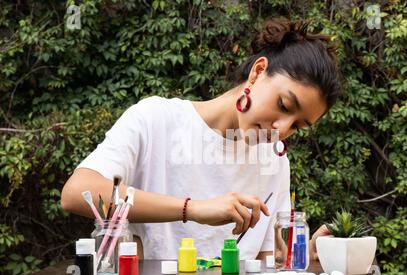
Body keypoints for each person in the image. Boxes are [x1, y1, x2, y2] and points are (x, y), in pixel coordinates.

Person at [61, 17, 338, 261]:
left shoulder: (274, 160)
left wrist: (304, 257)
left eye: (298, 126)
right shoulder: (156, 118)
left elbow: (266, 263)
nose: (281, 129)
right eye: (284, 105)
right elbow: (76, 193)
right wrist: (192, 209)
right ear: (257, 72)